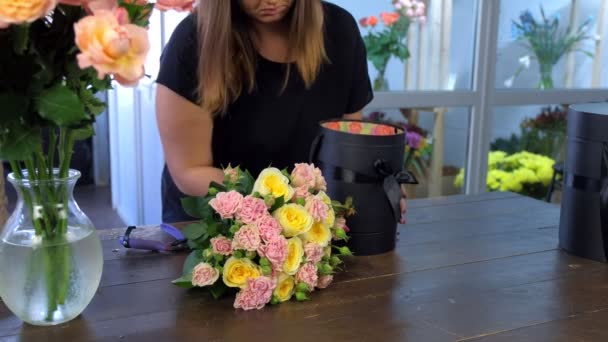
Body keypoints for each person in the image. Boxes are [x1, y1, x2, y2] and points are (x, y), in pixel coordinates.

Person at [155, 0, 407, 223]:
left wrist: (372, 188)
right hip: (212, 228)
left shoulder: (340, 30)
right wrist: (285, 203)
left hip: (306, 223)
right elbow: (190, 171)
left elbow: (348, 146)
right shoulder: (193, 42)